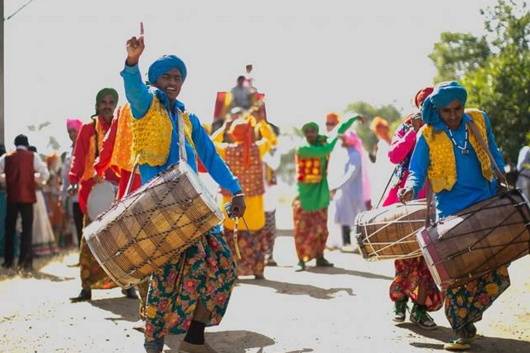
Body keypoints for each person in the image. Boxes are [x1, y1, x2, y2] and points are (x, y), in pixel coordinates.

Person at [123, 24, 245, 353]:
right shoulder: (146, 107)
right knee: (165, 278)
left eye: (178, 77)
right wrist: (132, 62)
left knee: (223, 267)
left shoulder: (188, 118)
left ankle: (194, 338)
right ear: (155, 81)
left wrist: (235, 189)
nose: (173, 82)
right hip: (160, 207)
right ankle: (154, 341)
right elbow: (133, 90)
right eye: (167, 77)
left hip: (194, 206)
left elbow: (211, 157)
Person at [399, 81, 510, 351]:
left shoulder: (479, 120)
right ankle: (460, 328)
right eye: (446, 111)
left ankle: (468, 318)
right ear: (437, 109)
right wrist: (411, 186)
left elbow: (492, 149)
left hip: (485, 202)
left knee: (496, 272)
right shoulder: (427, 134)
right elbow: (417, 168)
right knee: (458, 273)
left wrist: (501, 174)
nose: (452, 115)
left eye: (457, 109)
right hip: (451, 210)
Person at [68, 88, 136, 302]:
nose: (107, 106)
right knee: (90, 240)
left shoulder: (124, 128)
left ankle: (128, 285)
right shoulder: (88, 129)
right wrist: (73, 179)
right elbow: (78, 157)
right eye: (103, 102)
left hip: (119, 192)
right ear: (97, 105)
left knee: (123, 241)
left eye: (111, 102)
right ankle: (86, 287)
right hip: (94, 192)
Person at [384, 87, 442, 330]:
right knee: (405, 256)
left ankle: (419, 309)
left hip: (438, 200)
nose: (427, 108)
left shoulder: (446, 127)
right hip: (408, 200)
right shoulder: (408, 125)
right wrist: (414, 133)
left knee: (430, 260)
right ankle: (400, 303)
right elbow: (394, 155)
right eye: (423, 103)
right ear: (418, 106)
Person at [215, 118, 276, 279]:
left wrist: (222, 128)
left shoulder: (226, 150)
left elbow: (210, 143)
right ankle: (258, 271)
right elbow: (270, 139)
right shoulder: (258, 148)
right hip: (254, 204)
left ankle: (232, 272)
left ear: (233, 134)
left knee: (231, 237)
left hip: (232, 202)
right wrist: (262, 124)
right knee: (255, 236)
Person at [293, 117, 356, 271]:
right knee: (302, 229)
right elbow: (326, 150)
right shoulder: (302, 148)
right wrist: (334, 140)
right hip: (303, 195)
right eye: (307, 131)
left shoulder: (323, 143)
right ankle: (300, 260)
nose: (310, 134)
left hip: (320, 193)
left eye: (313, 131)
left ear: (317, 131)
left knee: (321, 228)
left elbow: (338, 130)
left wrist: (352, 117)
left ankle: (319, 257)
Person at [0, 135, 49, 270]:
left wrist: (5, 181)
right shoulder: (33, 156)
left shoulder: (6, 157)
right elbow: (45, 174)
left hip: (12, 197)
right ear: (27, 144)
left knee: (9, 229)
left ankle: (8, 261)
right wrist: (35, 179)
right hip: (28, 197)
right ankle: (25, 262)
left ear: (15, 144)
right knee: (27, 230)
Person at [329, 131, 372, 253]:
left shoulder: (354, 155)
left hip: (354, 193)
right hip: (346, 193)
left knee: (356, 220)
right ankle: (348, 244)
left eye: (344, 139)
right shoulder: (348, 154)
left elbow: (351, 174)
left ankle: (363, 246)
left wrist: (337, 186)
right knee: (345, 218)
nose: (342, 142)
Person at [62, 118, 84, 247]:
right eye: (69, 132)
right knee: (78, 224)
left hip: (88, 194)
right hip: (74, 197)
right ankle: (82, 258)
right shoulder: (68, 154)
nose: (72, 134)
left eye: (74, 131)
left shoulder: (89, 147)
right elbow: (65, 178)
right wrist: (62, 196)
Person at [369, 116, 394, 204]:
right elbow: (380, 165)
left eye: (382, 128)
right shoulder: (381, 145)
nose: (381, 131)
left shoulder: (394, 139)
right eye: (378, 130)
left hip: (395, 172)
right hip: (385, 175)